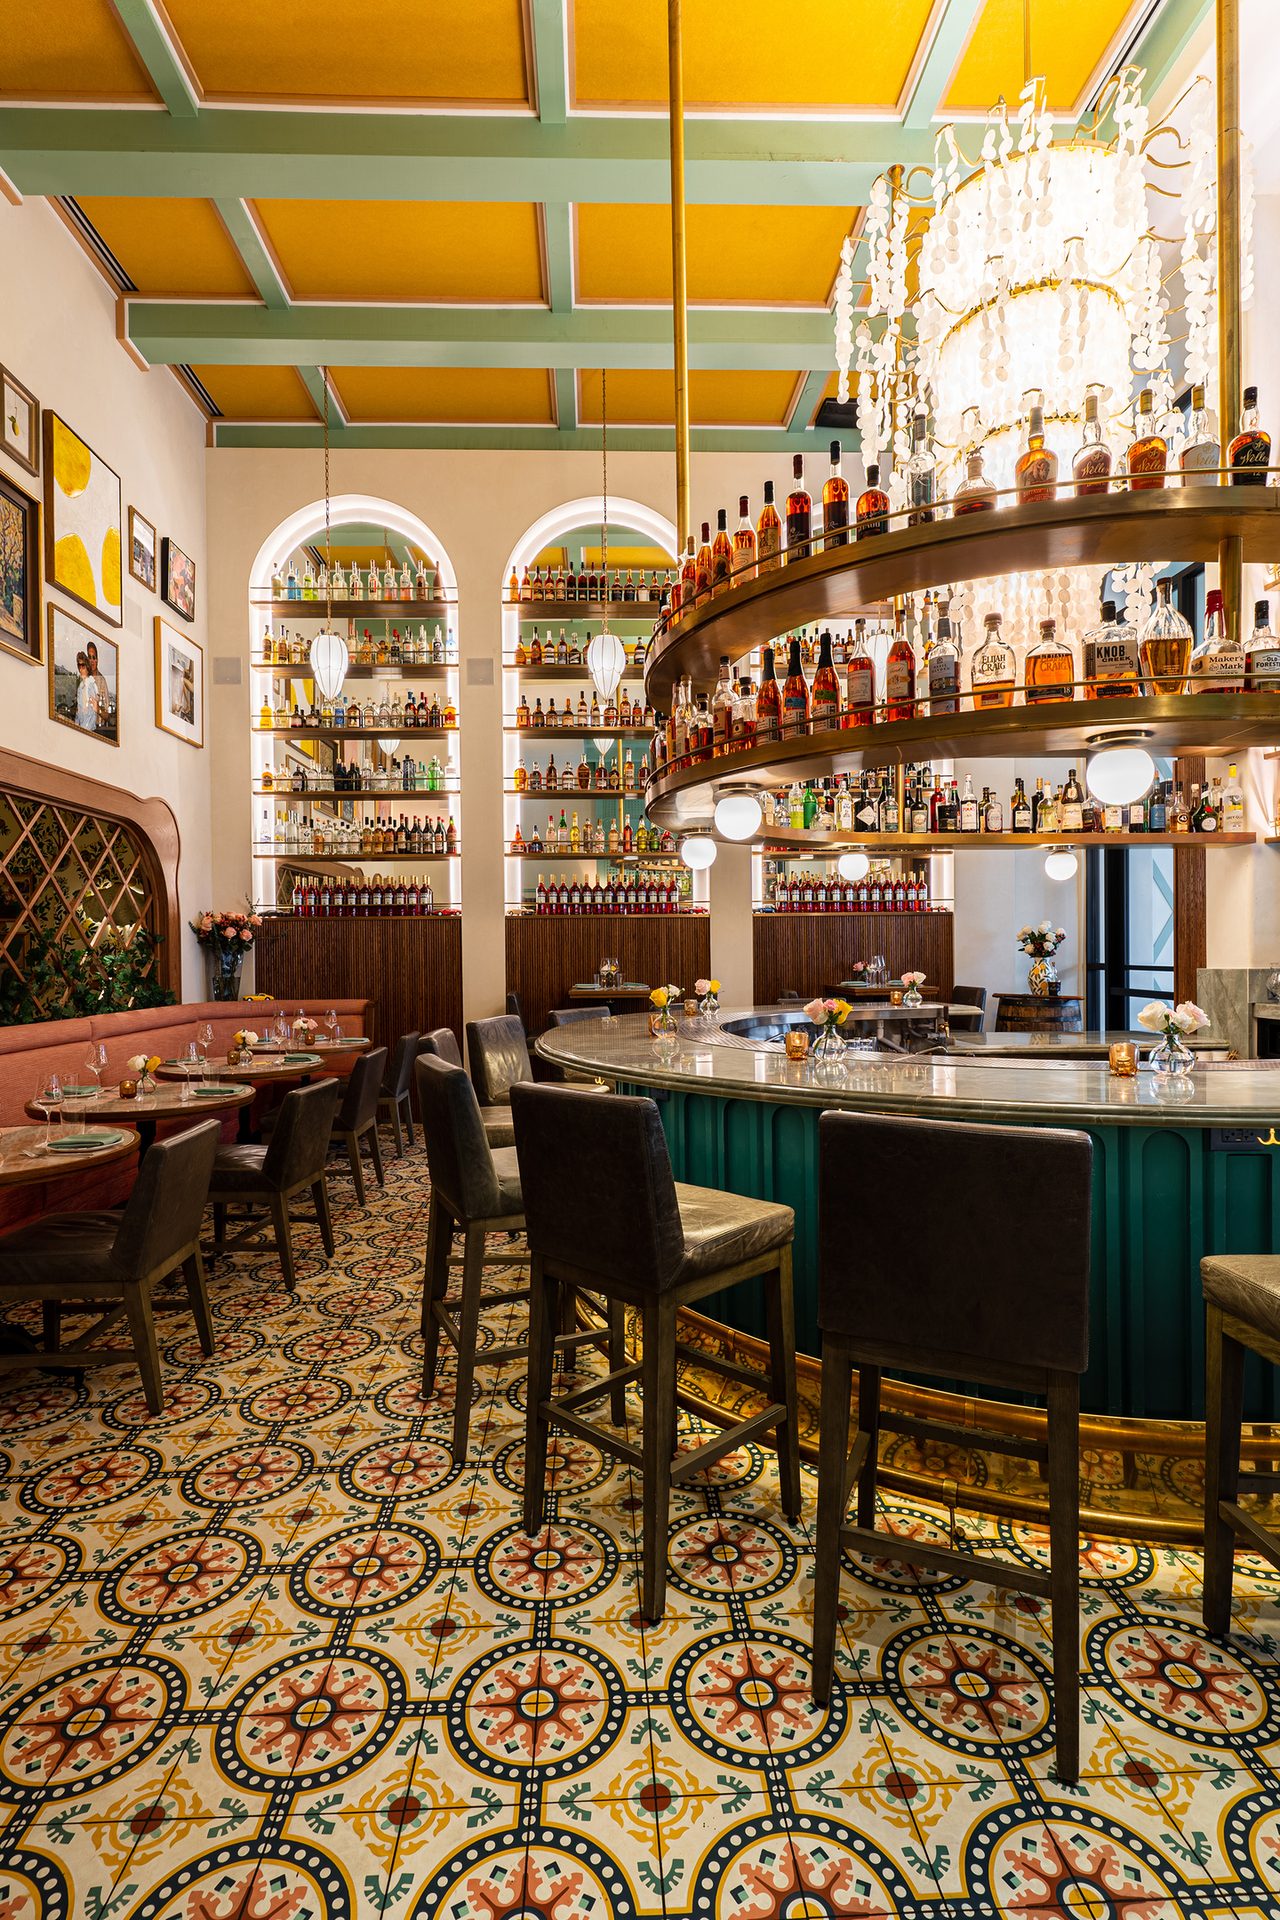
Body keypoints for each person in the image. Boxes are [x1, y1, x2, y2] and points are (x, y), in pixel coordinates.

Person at [74, 651, 98, 731]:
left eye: (83, 666)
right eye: (79, 666)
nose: (80, 669)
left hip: (88, 728)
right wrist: (76, 725)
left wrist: (85, 730)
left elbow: (93, 713)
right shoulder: (80, 687)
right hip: (80, 726)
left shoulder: (91, 684)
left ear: (87, 667)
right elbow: (78, 710)